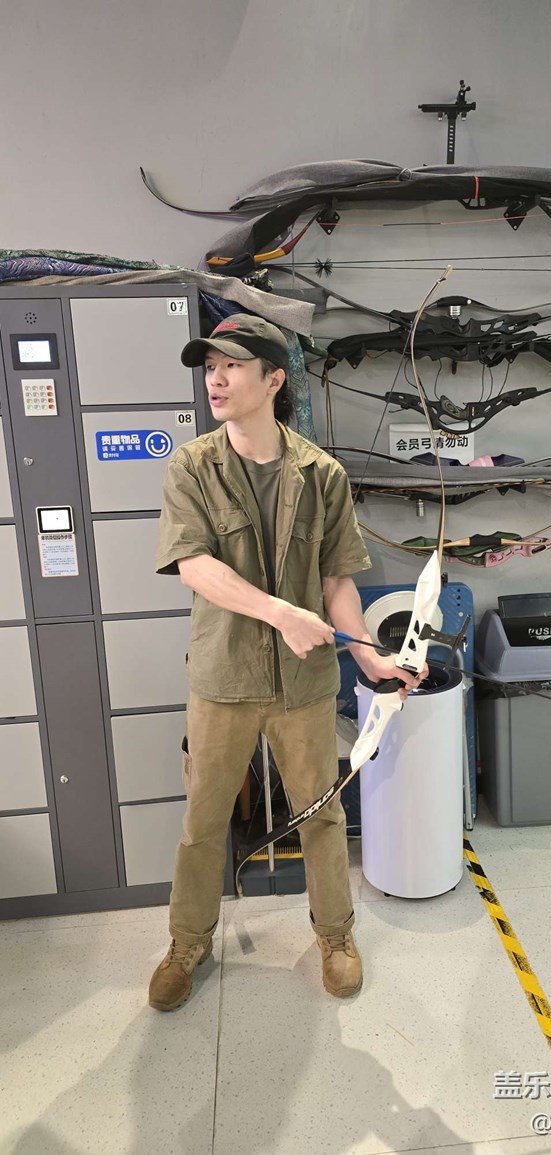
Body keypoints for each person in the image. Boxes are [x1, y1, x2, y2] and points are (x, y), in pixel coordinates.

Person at [148, 313, 423, 1012]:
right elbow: (193, 565)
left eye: (232, 365)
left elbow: (336, 582)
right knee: (202, 822)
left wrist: (369, 657)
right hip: (223, 678)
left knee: (320, 816)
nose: (215, 379)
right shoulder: (193, 466)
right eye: (210, 366)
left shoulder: (322, 474)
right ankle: (187, 942)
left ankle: (335, 935)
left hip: (303, 684)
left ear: (274, 379)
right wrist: (279, 612)